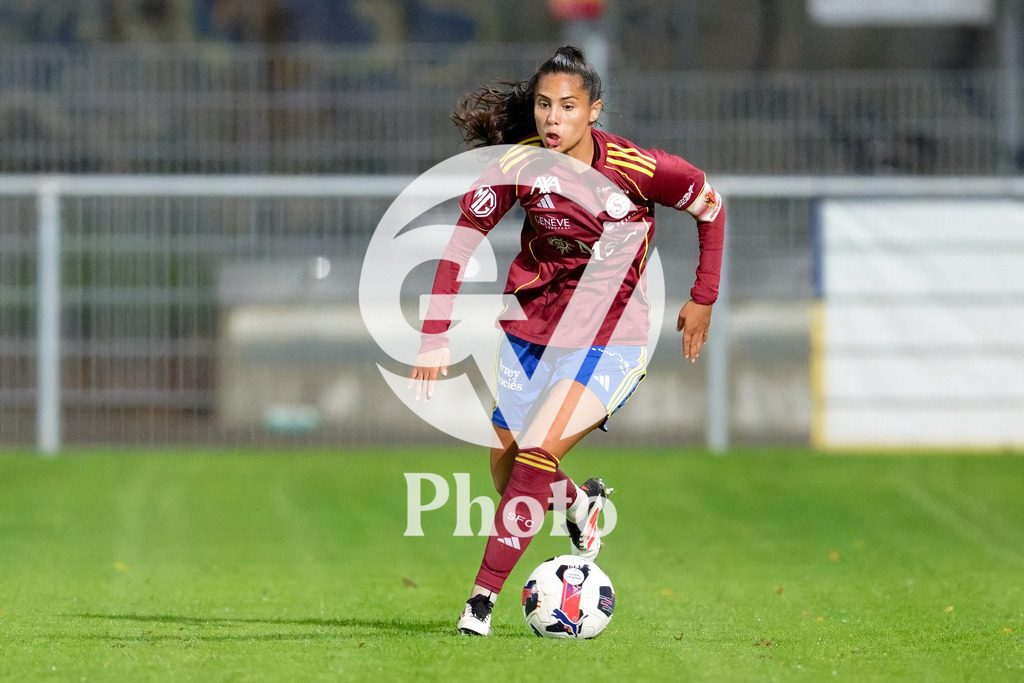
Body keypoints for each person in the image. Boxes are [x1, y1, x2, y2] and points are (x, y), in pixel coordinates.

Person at [407, 46, 725, 636]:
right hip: (531, 330)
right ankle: (579, 504)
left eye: (568, 106)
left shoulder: (640, 168)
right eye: (544, 105)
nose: (553, 119)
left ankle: (479, 603)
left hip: (614, 336)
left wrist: (702, 295)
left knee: (535, 456)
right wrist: (434, 336)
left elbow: (710, 205)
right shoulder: (518, 166)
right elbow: (459, 242)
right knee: (508, 472)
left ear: (594, 111)